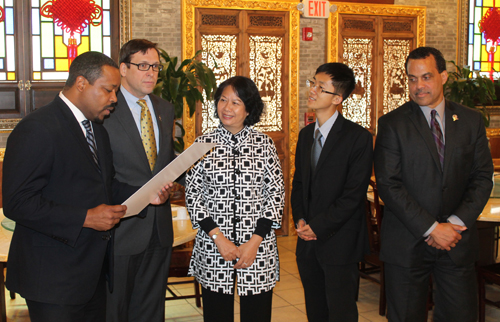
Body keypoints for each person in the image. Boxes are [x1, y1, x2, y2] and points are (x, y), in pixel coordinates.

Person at [2, 51, 171, 322]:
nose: (114, 99)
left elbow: (107, 187)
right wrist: (86, 218)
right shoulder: (37, 128)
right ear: (81, 83)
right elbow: (17, 202)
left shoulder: (96, 129)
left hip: (92, 274)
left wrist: (147, 194)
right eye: (108, 90)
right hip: (52, 278)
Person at [374, 47, 493, 322]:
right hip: (407, 242)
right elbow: (389, 185)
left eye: (426, 77)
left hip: (456, 241)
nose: (419, 86)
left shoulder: (470, 121)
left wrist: (454, 223)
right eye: (412, 79)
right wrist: (431, 228)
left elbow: (482, 176)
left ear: (443, 76)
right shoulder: (392, 124)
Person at [185, 76, 285, 322]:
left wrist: (254, 242)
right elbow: (193, 194)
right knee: (217, 314)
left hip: (257, 246)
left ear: (248, 108)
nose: (227, 108)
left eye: (236, 102)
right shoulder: (202, 144)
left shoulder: (264, 144)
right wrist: (219, 238)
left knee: (257, 314)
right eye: (223, 100)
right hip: (214, 245)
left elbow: (275, 194)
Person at [291, 62, 373, 322]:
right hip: (307, 241)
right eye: (312, 83)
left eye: (320, 87)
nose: (312, 90)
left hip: (340, 241)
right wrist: (301, 220)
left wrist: (319, 226)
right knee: (315, 310)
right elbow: (299, 184)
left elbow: (353, 195)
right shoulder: (305, 135)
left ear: (338, 98)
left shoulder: (357, 138)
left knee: (341, 311)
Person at [103, 39, 177, 322]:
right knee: (116, 310)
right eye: (143, 66)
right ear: (123, 68)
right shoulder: (106, 108)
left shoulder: (164, 108)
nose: (151, 73)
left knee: (151, 309)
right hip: (122, 227)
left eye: (155, 67)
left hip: (159, 227)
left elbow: (162, 161)